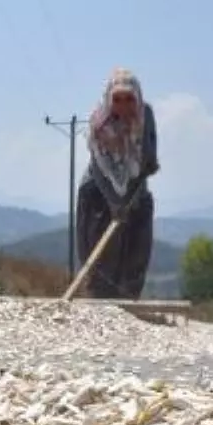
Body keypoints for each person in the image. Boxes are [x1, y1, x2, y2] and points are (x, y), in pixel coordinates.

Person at [75, 67, 160, 300]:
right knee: (103, 263)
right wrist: (115, 203)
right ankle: (100, 309)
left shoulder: (146, 115)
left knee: (135, 255)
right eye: (117, 99)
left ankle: (129, 307)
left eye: (129, 99)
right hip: (98, 194)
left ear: (138, 98)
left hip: (136, 189)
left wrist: (149, 164)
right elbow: (100, 166)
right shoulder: (99, 124)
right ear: (109, 99)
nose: (123, 105)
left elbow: (149, 147)